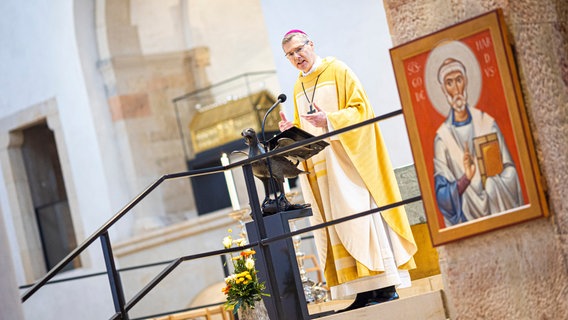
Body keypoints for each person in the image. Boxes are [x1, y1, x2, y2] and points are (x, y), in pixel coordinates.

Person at [278, 29, 417, 310]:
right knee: (338, 226)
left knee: (362, 220)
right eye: (290, 55)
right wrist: (290, 128)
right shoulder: (298, 86)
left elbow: (361, 111)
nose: (296, 57)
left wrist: (329, 120)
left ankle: (386, 286)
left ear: (311, 44)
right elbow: (305, 125)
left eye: (299, 50)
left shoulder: (338, 70)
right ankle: (362, 292)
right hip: (322, 169)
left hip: (349, 166)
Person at [433, 57, 524, 226]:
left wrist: (492, 184)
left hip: (499, 206)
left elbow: (511, 171)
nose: (456, 89)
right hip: (466, 217)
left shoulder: (487, 123)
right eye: (449, 83)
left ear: (466, 82)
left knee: (491, 184)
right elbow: (442, 196)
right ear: (444, 90)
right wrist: (466, 179)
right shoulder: (442, 139)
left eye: (459, 80)